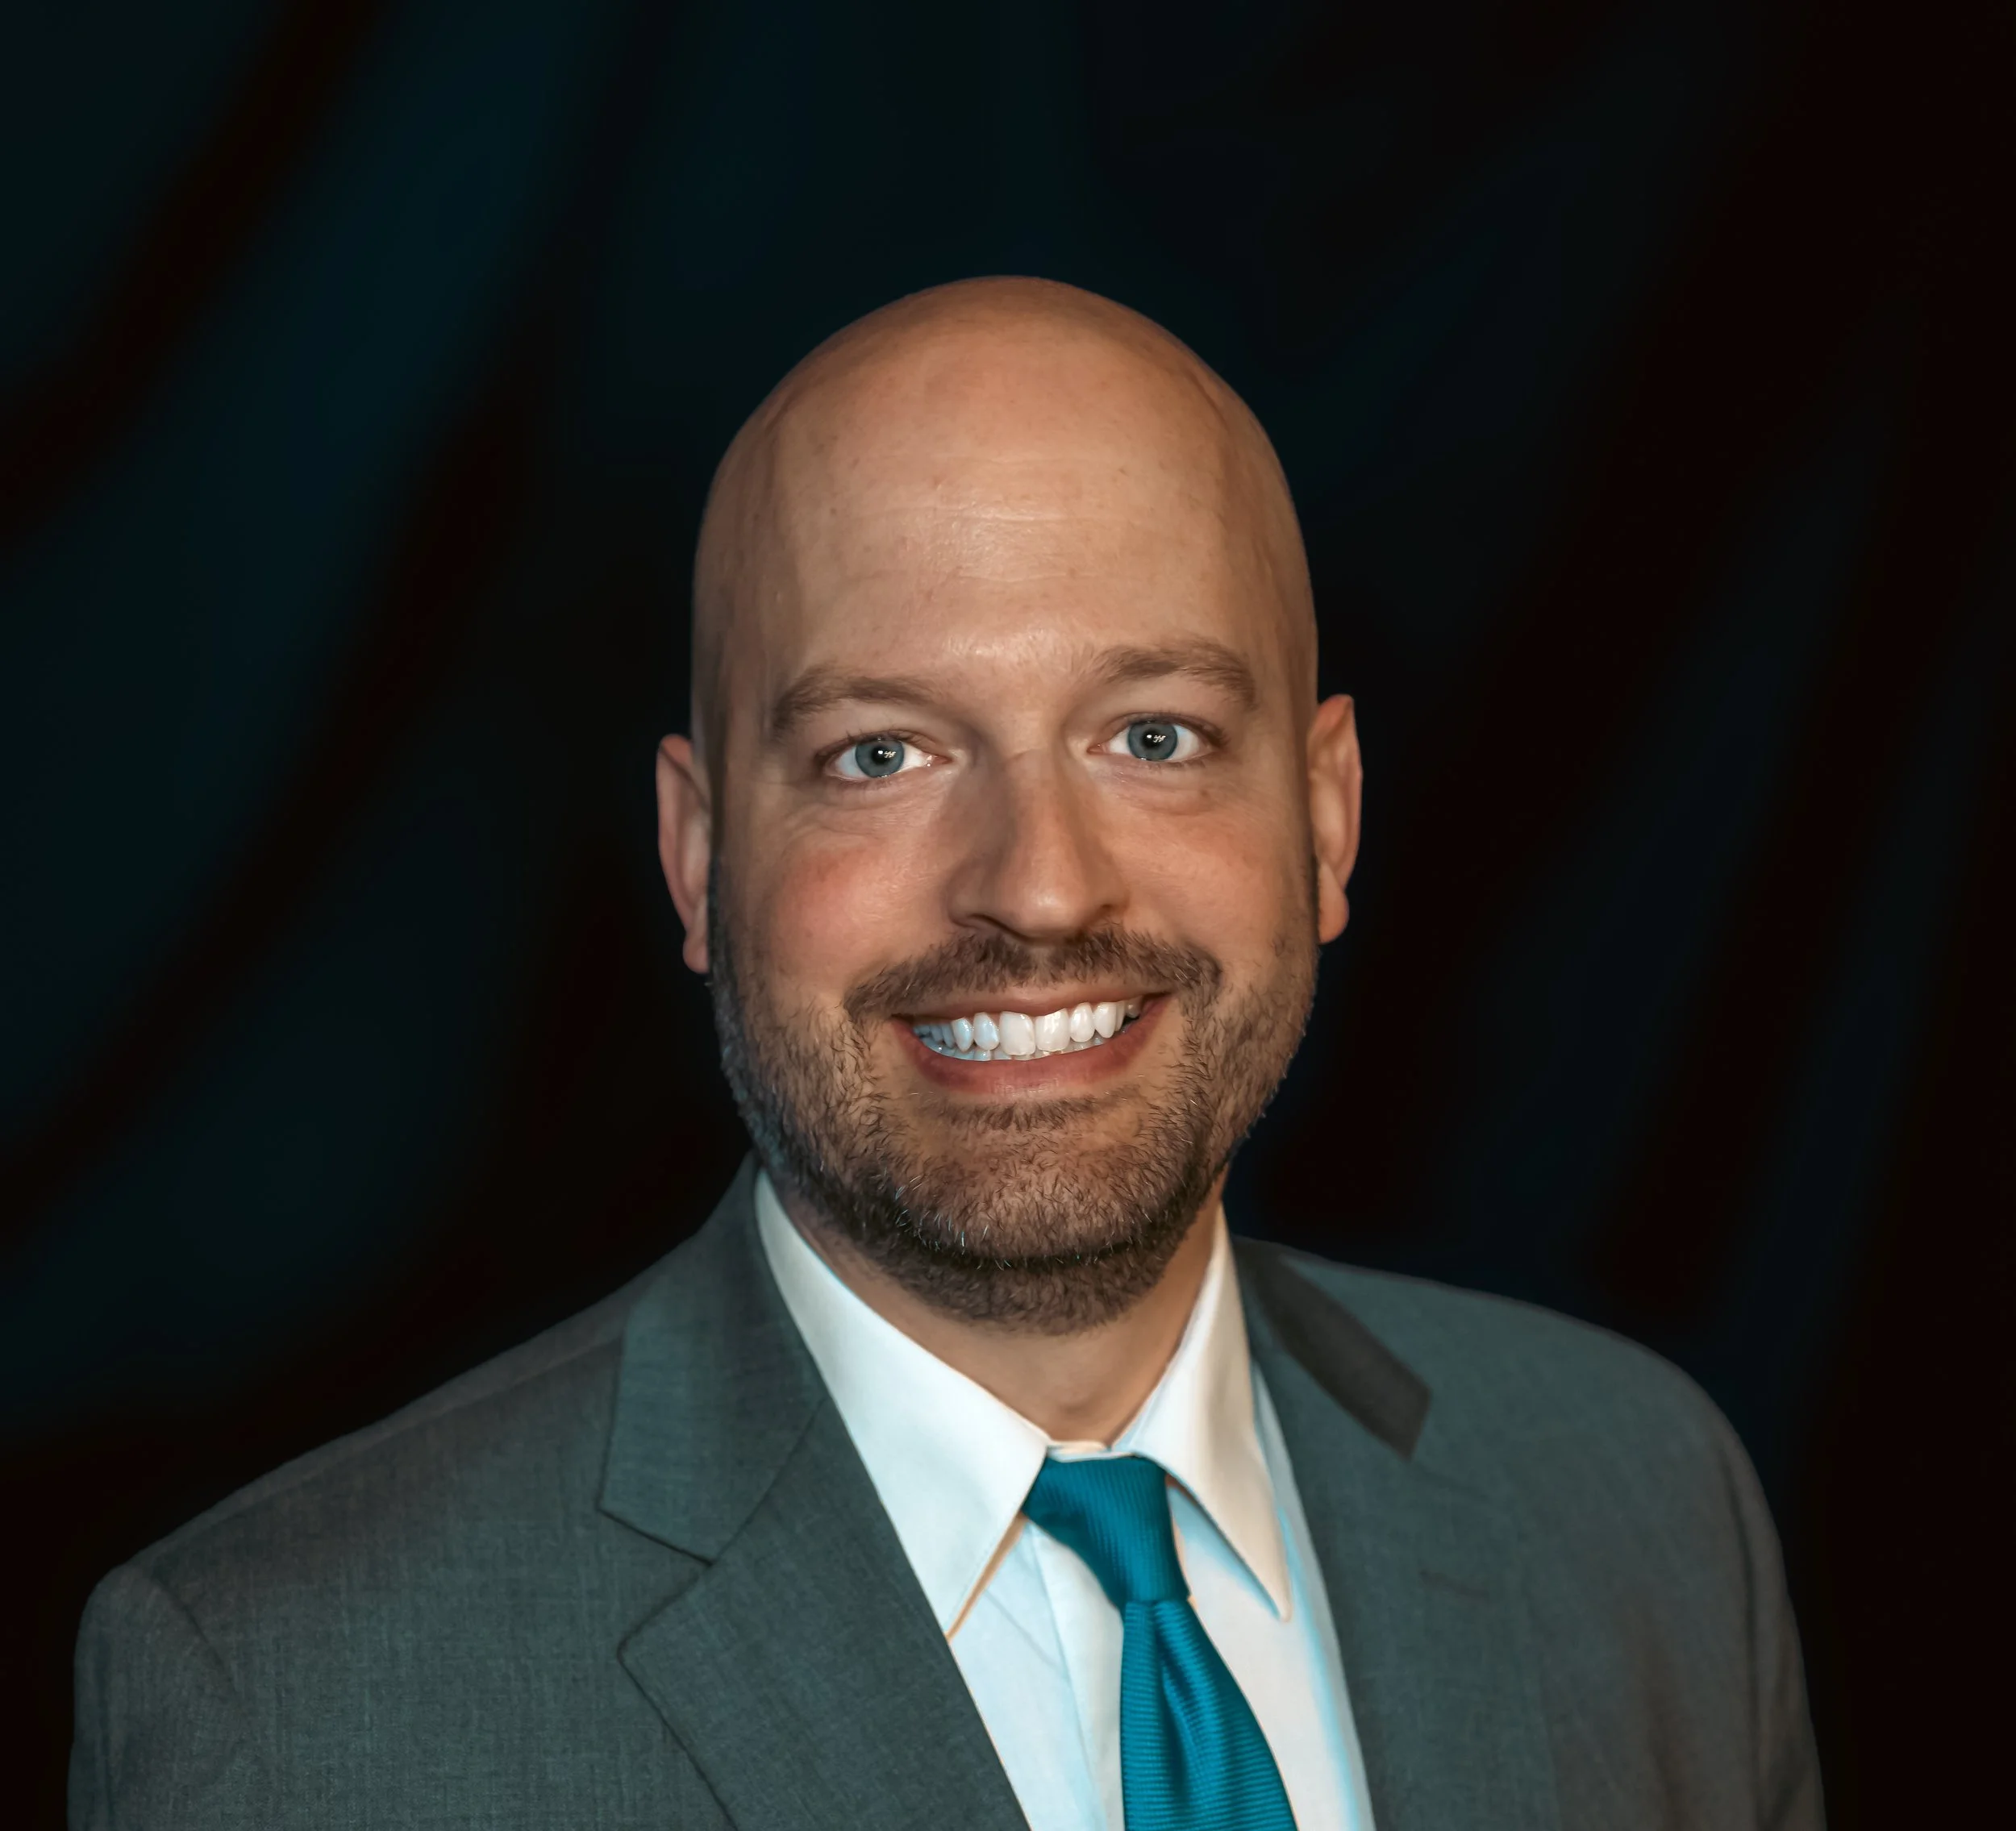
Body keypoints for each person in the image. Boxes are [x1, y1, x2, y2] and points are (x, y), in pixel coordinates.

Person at [70, 278, 1823, 1831]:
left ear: (1324, 817)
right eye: (879, 756)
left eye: (1153, 734)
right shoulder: (290, 1702)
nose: (1039, 886)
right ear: (697, 860)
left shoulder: (1642, 1505)